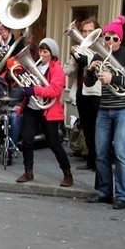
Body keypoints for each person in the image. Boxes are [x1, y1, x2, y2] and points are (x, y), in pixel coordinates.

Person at [84, 15, 125, 210]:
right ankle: (104, 192)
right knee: (100, 152)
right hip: (105, 109)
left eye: (114, 38)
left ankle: (123, 196)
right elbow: (88, 83)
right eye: (107, 38)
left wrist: (113, 78)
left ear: (120, 40)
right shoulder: (99, 55)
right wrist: (90, 71)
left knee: (120, 151)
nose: (110, 42)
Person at [16, 38, 73, 187]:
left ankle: (67, 173)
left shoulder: (57, 69)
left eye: (45, 51)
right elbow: (27, 83)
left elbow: (55, 90)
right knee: (27, 140)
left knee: (54, 143)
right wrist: (23, 75)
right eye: (41, 51)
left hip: (49, 110)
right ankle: (28, 171)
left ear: (52, 54)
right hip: (32, 107)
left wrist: (34, 89)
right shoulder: (35, 65)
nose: (41, 54)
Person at [64, 16, 101, 170]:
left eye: (90, 31)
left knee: (96, 129)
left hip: (95, 94)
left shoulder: (101, 49)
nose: (86, 34)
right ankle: (91, 161)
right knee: (86, 129)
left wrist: (82, 57)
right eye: (84, 31)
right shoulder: (78, 50)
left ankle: (97, 162)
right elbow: (67, 71)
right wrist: (74, 56)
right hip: (81, 93)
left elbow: (91, 65)